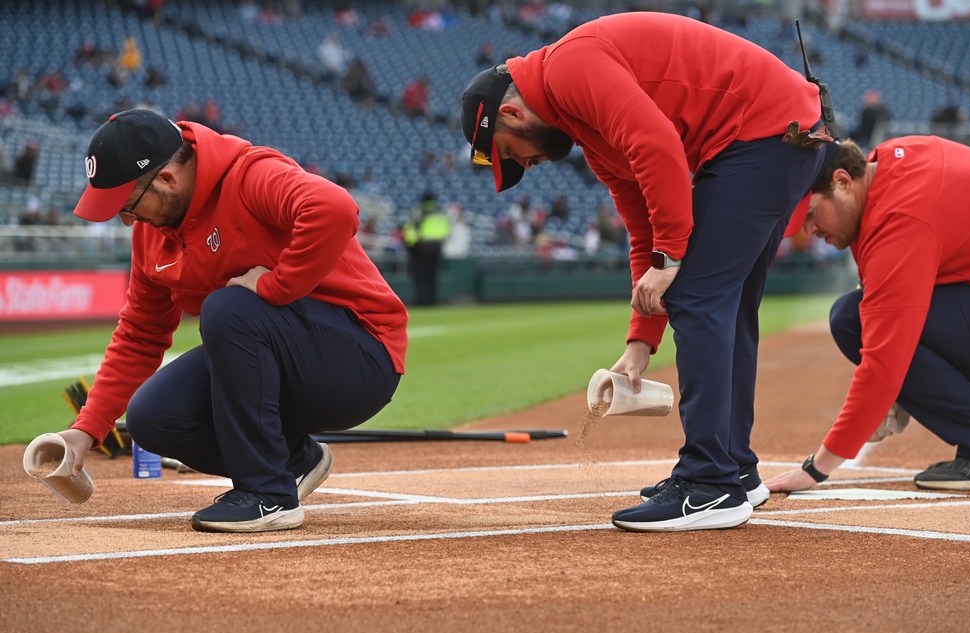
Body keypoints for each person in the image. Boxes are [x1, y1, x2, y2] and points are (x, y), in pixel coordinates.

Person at [459, 12, 833, 532]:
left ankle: (709, 484)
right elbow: (642, 228)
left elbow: (657, 147)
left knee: (700, 299)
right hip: (777, 136)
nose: (528, 165)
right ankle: (735, 470)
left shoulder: (568, 66)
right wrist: (641, 342)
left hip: (764, 133)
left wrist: (671, 260)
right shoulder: (588, 130)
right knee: (726, 304)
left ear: (513, 114)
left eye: (510, 155)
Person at [51, 109, 408, 533]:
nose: (126, 219)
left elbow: (335, 208)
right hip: (284, 359)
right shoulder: (153, 233)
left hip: (361, 359)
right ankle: (294, 461)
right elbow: (139, 335)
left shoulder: (248, 174)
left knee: (228, 308)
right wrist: (87, 429)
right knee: (152, 417)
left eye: (128, 204)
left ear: (166, 179)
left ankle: (269, 497)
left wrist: (276, 286)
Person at [765, 136, 970, 494]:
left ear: (843, 182)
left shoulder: (901, 214)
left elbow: (884, 359)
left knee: (853, 322)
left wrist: (816, 469)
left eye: (812, 214)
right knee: (853, 315)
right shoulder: (887, 166)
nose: (809, 231)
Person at [402, 192, 451, 306]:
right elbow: (447, 231)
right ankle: (432, 300)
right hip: (437, 248)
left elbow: (411, 231)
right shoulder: (440, 214)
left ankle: (421, 301)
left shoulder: (419, 213)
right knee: (433, 277)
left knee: (420, 277)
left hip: (421, 249)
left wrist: (410, 244)